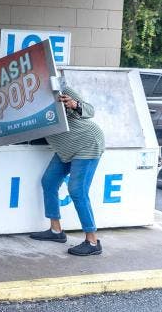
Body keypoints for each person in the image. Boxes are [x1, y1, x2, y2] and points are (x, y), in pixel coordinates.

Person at [29, 87, 105, 256]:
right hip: (65, 148)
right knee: (48, 182)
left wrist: (74, 104)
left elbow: (90, 110)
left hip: (87, 142)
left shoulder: (58, 87)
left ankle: (92, 241)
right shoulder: (25, 99)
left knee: (77, 191)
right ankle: (56, 231)